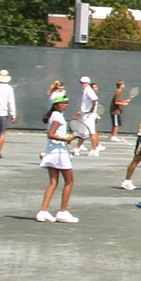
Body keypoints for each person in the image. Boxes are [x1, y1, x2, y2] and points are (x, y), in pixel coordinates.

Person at [36, 92, 83, 223]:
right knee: (69, 181)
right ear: (55, 105)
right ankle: (63, 212)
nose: (64, 105)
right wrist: (65, 139)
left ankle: (43, 212)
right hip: (59, 154)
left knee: (53, 182)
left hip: (51, 152)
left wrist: (66, 138)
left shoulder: (55, 115)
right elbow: (50, 134)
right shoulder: (57, 117)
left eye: (66, 103)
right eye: (62, 103)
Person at [74, 75, 102, 156]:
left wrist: (93, 109)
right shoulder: (85, 90)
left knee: (91, 132)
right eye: (81, 83)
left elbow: (95, 100)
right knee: (83, 133)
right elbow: (86, 104)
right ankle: (77, 148)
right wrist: (80, 112)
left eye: (84, 83)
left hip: (89, 115)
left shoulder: (89, 90)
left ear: (87, 83)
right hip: (85, 114)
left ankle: (94, 150)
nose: (82, 84)